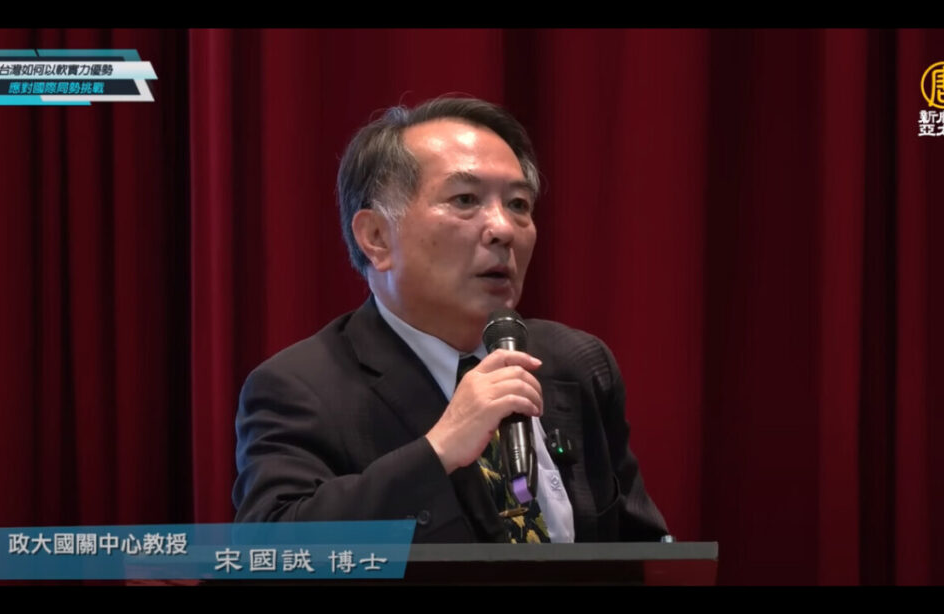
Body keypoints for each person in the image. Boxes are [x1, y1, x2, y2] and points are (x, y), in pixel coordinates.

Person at [232, 96, 668, 543]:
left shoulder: (576, 362)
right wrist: (437, 451)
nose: (503, 229)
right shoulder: (300, 387)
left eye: (518, 204)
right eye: (465, 199)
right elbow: (271, 547)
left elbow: (644, 551)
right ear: (377, 237)